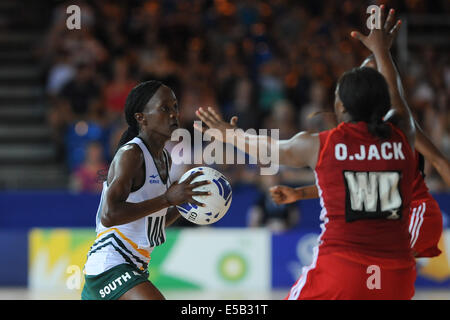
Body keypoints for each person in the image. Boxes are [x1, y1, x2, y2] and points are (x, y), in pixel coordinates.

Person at [195, 6, 418, 299]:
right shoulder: (402, 136)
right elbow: (398, 102)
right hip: (397, 275)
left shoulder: (320, 144)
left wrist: (228, 134)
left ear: (340, 107)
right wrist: (382, 52)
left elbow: (266, 150)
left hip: (341, 271)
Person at [270, 47, 450, 261]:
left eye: (375, 74)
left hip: (413, 213)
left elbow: (440, 162)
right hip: (385, 216)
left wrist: (381, 47)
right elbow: (345, 184)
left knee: (372, 267)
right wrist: (300, 194)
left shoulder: (397, 126)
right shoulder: (354, 131)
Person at [81, 80, 211, 300]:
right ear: (141, 118)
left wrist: (183, 203)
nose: (173, 114)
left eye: (175, 107)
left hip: (134, 267)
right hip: (110, 266)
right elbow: (109, 215)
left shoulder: (165, 159)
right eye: (164, 108)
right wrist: (168, 199)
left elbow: (153, 221)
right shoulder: (131, 154)